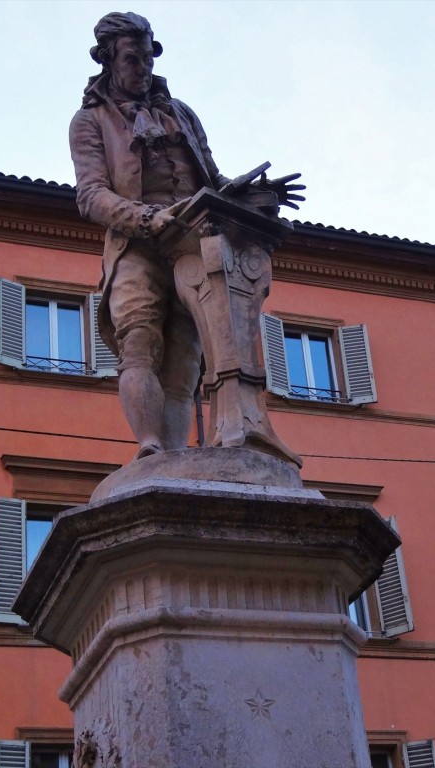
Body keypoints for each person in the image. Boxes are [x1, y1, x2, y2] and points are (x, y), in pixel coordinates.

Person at [70, 12, 301, 460]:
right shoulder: (89, 120)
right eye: (133, 59)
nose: (144, 68)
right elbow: (91, 194)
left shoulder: (181, 114)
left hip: (195, 241)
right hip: (137, 245)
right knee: (139, 341)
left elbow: (212, 179)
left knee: (184, 362)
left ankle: (173, 456)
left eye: (148, 58)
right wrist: (146, 218)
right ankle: (149, 449)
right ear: (108, 60)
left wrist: (253, 193)